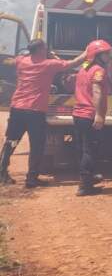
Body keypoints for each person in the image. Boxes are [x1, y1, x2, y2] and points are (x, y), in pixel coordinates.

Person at [0, 38, 87, 188]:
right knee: (37, 145)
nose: (47, 50)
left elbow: (11, 61)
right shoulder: (49, 65)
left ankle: (2, 173)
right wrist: (87, 52)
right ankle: (31, 179)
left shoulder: (22, 61)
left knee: (11, 141)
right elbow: (72, 64)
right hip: (35, 112)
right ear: (40, 50)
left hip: (17, 109)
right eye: (45, 48)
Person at [72, 39, 112, 197]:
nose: (109, 57)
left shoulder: (83, 68)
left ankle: (87, 179)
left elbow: (83, 64)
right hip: (89, 115)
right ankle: (84, 186)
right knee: (90, 150)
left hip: (78, 115)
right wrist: (98, 114)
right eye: (106, 54)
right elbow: (96, 92)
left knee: (83, 149)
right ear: (98, 55)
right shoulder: (98, 71)